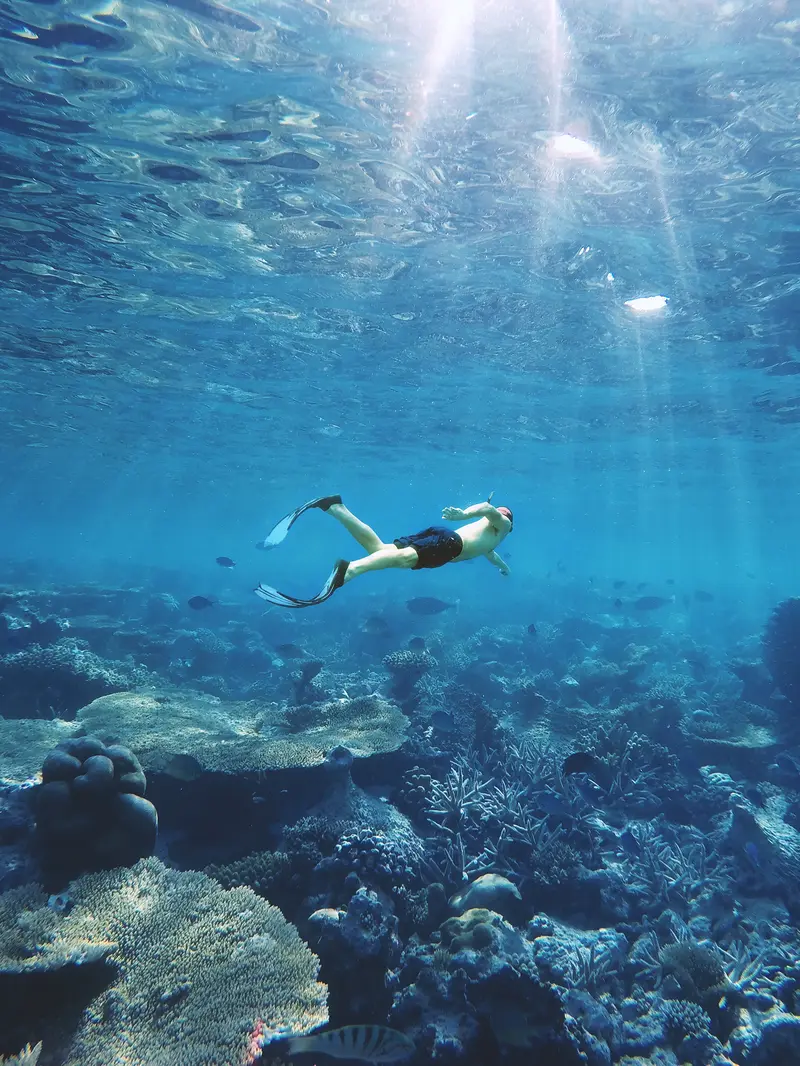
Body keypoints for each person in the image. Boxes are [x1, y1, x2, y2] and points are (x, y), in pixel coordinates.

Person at [254, 494, 513, 608]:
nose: (500, 514)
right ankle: (350, 570)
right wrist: (464, 514)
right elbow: (489, 510)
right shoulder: (502, 524)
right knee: (401, 560)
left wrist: (503, 568)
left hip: (443, 536)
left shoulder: (492, 541)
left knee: (379, 549)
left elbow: (491, 556)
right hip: (450, 544)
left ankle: (335, 507)